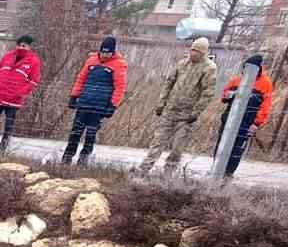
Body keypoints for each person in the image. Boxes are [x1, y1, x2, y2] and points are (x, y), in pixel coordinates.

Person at [140, 37, 217, 174]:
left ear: (203, 53)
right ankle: (144, 169)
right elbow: (168, 84)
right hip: (169, 110)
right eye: (192, 50)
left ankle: (168, 174)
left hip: (186, 115)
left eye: (197, 52)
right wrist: (161, 104)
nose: (193, 53)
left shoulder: (209, 68)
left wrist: (195, 113)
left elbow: (208, 93)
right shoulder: (182, 64)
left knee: (177, 147)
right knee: (157, 141)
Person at [62, 36, 127, 165]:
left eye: (108, 53)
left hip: (100, 107)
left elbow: (120, 87)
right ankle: (67, 158)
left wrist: (113, 105)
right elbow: (81, 78)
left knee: (91, 134)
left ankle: (83, 159)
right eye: (103, 52)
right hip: (84, 102)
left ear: (113, 52)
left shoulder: (119, 64)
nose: (104, 55)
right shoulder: (91, 61)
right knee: (75, 132)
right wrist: (74, 96)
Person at [216, 54, 274, 178]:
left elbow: (266, 106)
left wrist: (256, 124)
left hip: (247, 122)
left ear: (258, 69)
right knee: (221, 145)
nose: (245, 70)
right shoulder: (237, 80)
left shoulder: (266, 83)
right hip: (229, 120)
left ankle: (227, 175)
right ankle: (216, 172)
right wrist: (228, 95)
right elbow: (224, 94)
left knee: (236, 149)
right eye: (244, 67)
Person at [0, 35, 40, 156]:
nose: (22, 47)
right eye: (20, 44)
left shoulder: (33, 61)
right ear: (17, 44)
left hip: (14, 100)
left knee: (9, 126)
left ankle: (2, 150)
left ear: (30, 46)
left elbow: (34, 81)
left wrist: (21, 92)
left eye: (25, 45)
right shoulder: (8, 56)